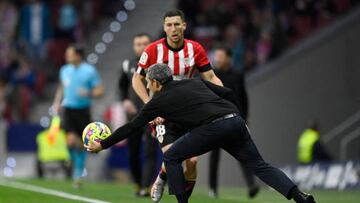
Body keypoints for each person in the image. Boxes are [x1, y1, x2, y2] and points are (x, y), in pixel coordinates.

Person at [85, 63, 316, 203]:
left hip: (215, 127)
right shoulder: (195, 82)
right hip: (234, 122)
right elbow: (228, 92)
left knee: (172, 156)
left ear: (156, 82)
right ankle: (298, 196)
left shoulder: (159, 101)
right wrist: (240, 118)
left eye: (148, 83)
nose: (146, 87)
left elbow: (131, 126)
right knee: (260, 166)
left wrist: (103, 144)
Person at [131, 9, 223, 202]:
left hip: (188, 111)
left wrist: (224, 101)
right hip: (162, 113)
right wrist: (149, 105)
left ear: (184, 26)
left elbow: (210, 76)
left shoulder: (195, 49)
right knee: (175, 156)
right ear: (164, 27)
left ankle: (162, 175)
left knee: (192, 162)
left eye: (176, 24)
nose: (173, 29)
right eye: (169, 25)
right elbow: (136, 80)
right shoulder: (153, 50)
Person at [209, 46, 259, 198]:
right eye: (216, 56)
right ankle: (213, 189)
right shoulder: (212, 74)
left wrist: (245, 118)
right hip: (216, 120)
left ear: (229, 58)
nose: (217, 59)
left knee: (242, 152)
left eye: (220, 56)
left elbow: (243, 98)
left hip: (234, 119)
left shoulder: (238, 75)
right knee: (214, 156)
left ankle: (251, 185)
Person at [52, 44, 104, 188]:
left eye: (69, 54)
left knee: (81, 145)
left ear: (78, 55)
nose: (66, 56)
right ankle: (71, 161)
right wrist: (57, 102)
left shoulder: (89, 70)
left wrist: (88, 93)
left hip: (83, 111)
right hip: (68, 109)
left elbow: (100, 90)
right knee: (70, 141)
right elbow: (61, 87)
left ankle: (77, 175)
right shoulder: (64, 70)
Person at [118, 33, 158, 196]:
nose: (142, 47)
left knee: (150, 150)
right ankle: (137, 183)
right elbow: (122, 86)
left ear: (151, 45)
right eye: (138, 44)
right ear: (134, 46)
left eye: (145, 44)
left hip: (152, 114)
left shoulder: (158, 64)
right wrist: (125, 100)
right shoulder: (127, 64)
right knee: (133, 151)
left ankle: (146, 187)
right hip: (133, 115)